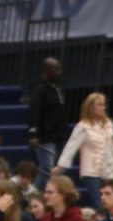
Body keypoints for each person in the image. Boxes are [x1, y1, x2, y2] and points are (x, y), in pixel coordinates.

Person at [53, 92, 113, 210]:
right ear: (91, 107)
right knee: (100, 204)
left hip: (108, 169)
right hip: (91, 171)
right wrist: (61, 166)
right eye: (100, 105)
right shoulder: (83, 126)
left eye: (104, 105)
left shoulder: (108, 124)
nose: (103, 108)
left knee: (112, 204)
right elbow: (71, 146)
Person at [28, 57, 69, 192]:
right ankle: (31, 197)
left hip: (59, 135)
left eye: (59, 69)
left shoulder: (57, 88)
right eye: (55, 69)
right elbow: (34, 112)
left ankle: (55, 198)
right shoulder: (39, 89)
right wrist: (33, 133)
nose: (58, 72)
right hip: (44, 136)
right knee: (46, 169)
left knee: (59, 170)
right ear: (47, 70)